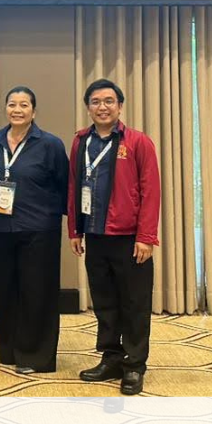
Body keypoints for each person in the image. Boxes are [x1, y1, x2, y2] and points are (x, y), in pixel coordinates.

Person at [68, 79, 160, 395]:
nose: (102, 107)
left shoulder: (138, 142)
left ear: (120, 106)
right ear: (88, 107)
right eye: (96, 101)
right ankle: (111, 357)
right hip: (95, 234)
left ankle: (134, 365)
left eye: (109, 101)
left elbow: (151, 192)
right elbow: (73, 185)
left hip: (130, 238)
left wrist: (146, 236)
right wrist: (75, 230)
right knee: (105, 302)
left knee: (134, 303)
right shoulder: (81, 142)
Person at [0, 86, 69, 374]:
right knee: (6, 291)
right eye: (12, 104)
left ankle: (36, 356)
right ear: (5, 108)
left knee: (37, 293)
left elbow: (63, 185)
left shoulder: (50, 144)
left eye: (23, 105)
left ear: (34, 110)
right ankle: (9, 350)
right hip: (2, 228)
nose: (17, 110)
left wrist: (48, 215)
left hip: (39, 230)